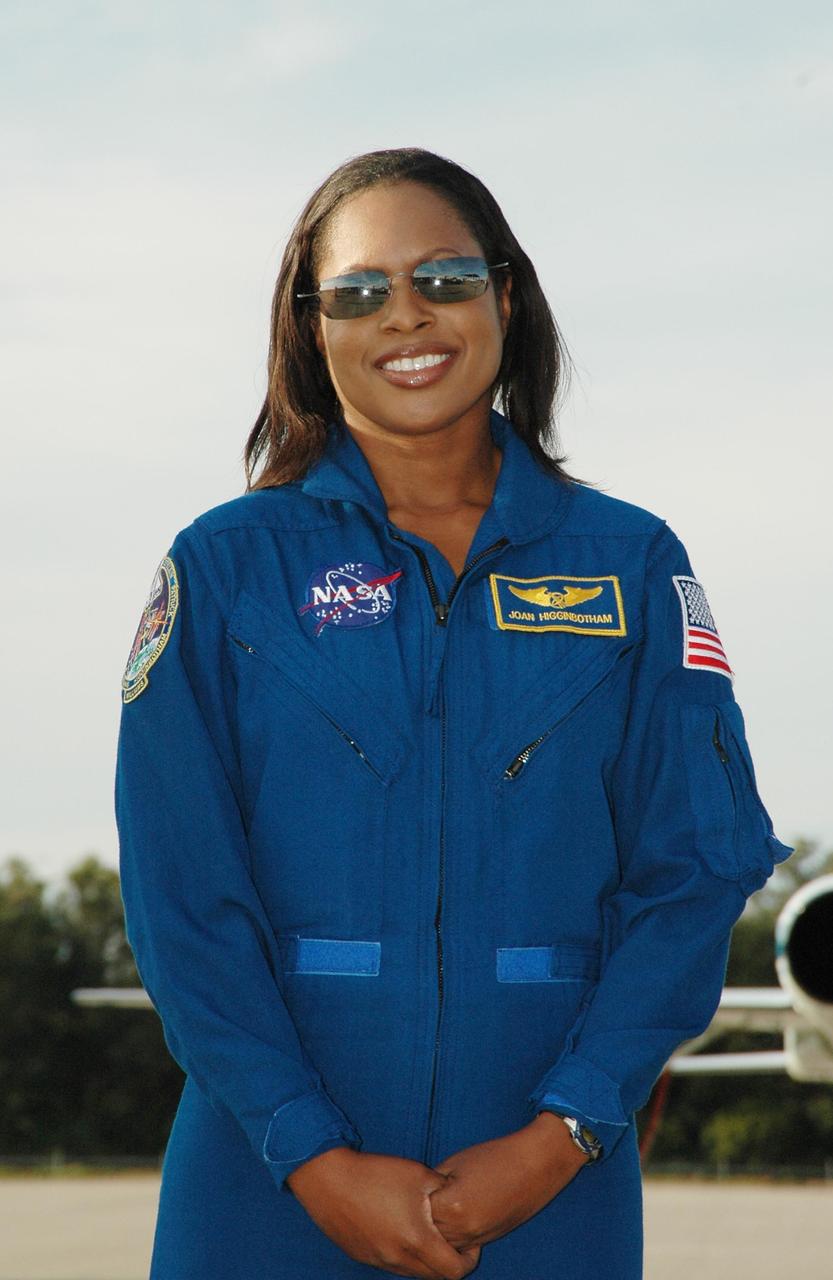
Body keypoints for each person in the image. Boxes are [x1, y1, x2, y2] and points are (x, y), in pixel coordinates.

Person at [115, 147, 794, 1279]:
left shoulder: (629, 562)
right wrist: (312, 1155)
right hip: (263, 1190)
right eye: (359, 291)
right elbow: (182, 898)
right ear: (309, 325)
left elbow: (691, 869)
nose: (405, 316)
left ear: (505, 297)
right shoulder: (223, 568)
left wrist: (559, 1133)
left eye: (443, 277)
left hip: (546, 1198)